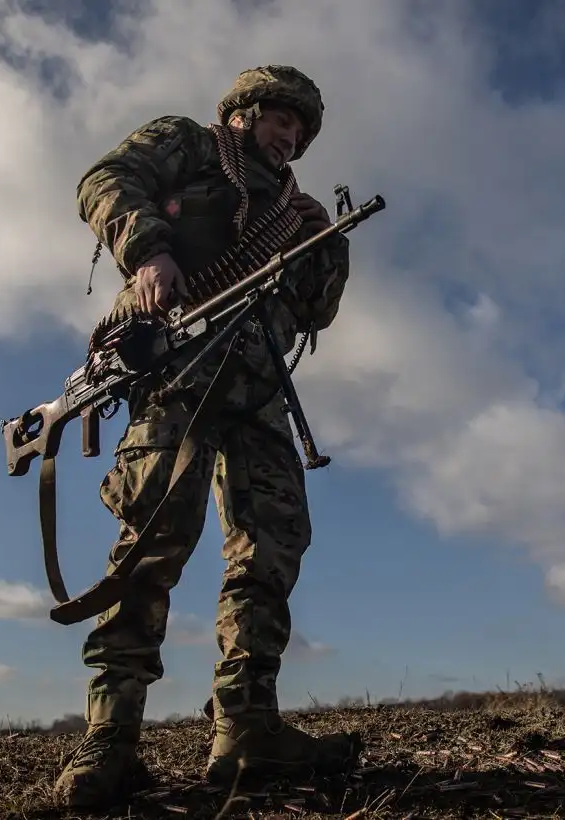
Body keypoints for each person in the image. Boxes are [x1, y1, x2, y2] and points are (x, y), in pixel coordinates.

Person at [53, 65, 363, 809]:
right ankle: (111, 741)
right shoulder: (187, 145)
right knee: (150, 546)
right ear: (245, 112)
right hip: (178, 375)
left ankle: (247, 729)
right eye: (280, 121)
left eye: (300, 131)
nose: (290, 138)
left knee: (271, 547)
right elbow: (104, 179)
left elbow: (317, 314)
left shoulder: (301, 209)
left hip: (258, 391)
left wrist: (326, 246)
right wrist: (151, 251)